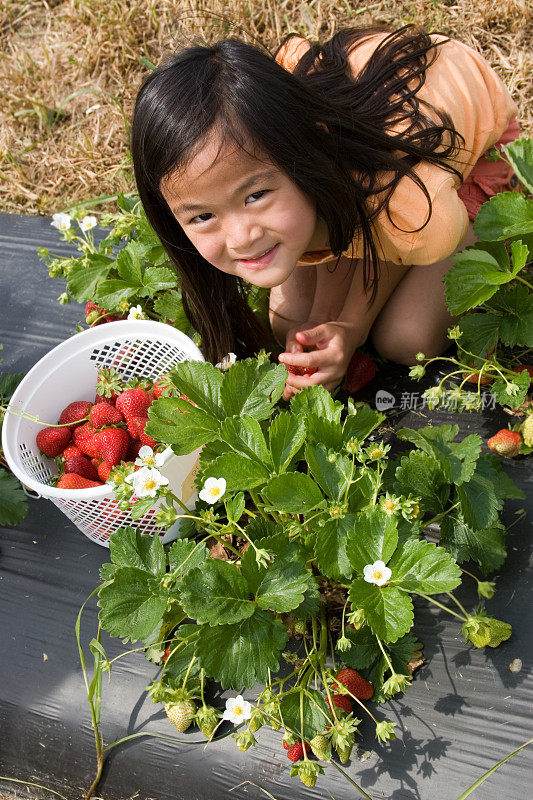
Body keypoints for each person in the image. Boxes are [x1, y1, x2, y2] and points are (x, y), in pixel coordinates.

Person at [130, 24, 520, 400]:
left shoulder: (413, 206)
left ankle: (478, 226)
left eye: (255, 195)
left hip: (466, 159)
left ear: (305, 161)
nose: (241, 237)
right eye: (202, 217)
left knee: (405, 339)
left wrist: (353, 325)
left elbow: (400, 238)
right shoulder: (284, 156)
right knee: (289, 322)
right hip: (356, 164)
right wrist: (339, 327)